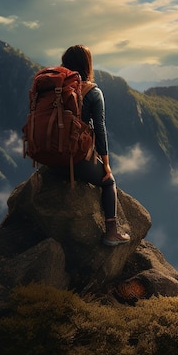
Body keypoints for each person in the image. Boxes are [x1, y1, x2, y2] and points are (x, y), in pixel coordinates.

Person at [57, 44, 130, 246]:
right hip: (73, 158)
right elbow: (100, 129)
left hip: (50, 155)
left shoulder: (56, 88)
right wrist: (106, 164)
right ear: (87, 64)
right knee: (109, 182)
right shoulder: (92, 92)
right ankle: (111, 233)